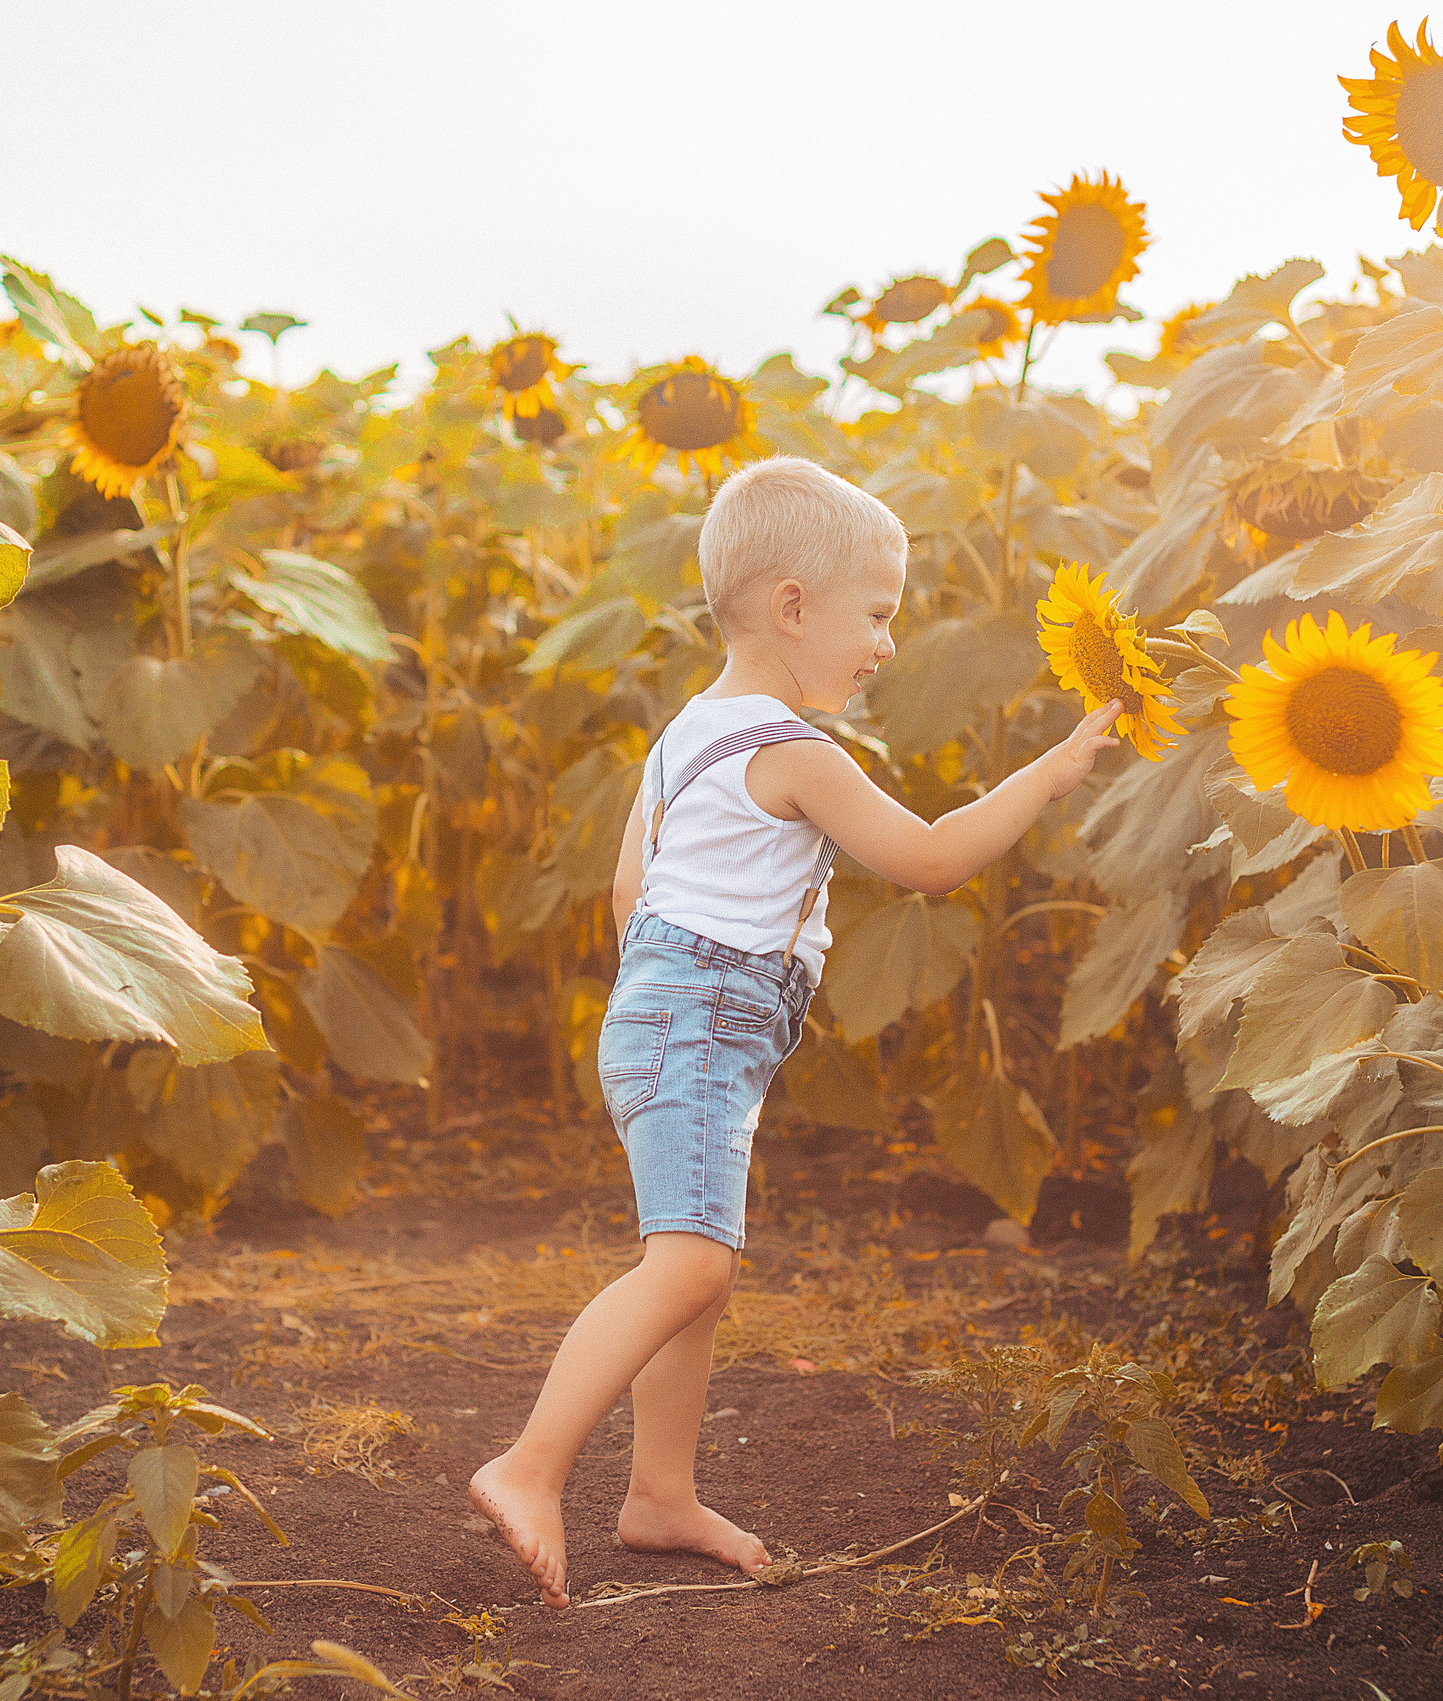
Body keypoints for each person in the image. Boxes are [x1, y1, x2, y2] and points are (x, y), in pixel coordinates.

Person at [469, 456, 1123, 1609]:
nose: (883, 645)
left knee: (695, 1273)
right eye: (875, 615)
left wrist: (676, 1004)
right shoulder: (793, 749)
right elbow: (927, 860)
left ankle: (658, 1497)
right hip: (701, 1023)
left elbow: (632, 887)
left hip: (673, 1017)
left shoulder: (686, 733)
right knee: (687, 1265)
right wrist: (1057, 769)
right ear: (791, 607)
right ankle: (528, 1467)